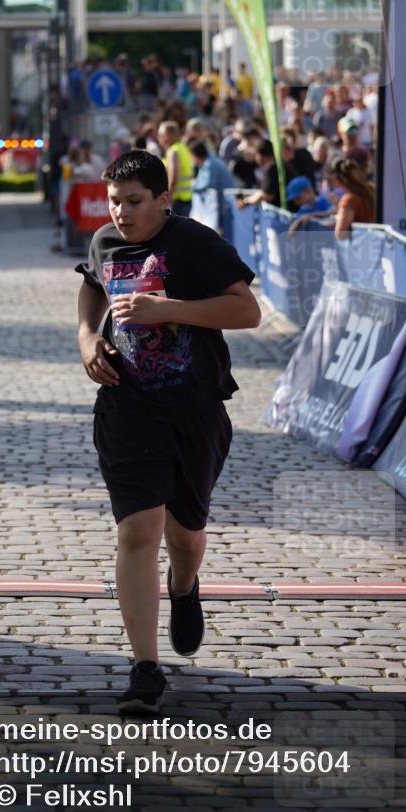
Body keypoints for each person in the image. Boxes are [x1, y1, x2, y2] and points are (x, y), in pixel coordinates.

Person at [75, 149, 260, 714]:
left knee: (185, 534)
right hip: (127, 408)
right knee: (138, 531)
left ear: (162, 199)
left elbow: (246, 311)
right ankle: (144, 669)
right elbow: (91, 286)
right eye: (114, 202)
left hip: (196, 409)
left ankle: (184, 586)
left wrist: (167, 310)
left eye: (134, 202)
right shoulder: (106, 241)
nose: (122, 213)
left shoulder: (195, 242)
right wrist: (87, 339)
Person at [189, 139, 235, 232]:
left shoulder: (210, 164)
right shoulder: (208, 162)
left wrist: (193, 186)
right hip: (221, 203)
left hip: (225, 204)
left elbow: (207, 184)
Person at [157, 121, 195, 217]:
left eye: (160, 135)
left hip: (178, 200)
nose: (158, 138)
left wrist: (167, 199)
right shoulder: (183, 148)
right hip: (186, 197)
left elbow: (174, 179)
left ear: (167, 136)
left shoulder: (173, 151)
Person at [332, 157, 376, 239]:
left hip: (361, 247)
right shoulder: (371, 190)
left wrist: (338, 219)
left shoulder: (349, 200)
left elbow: (340, 234)